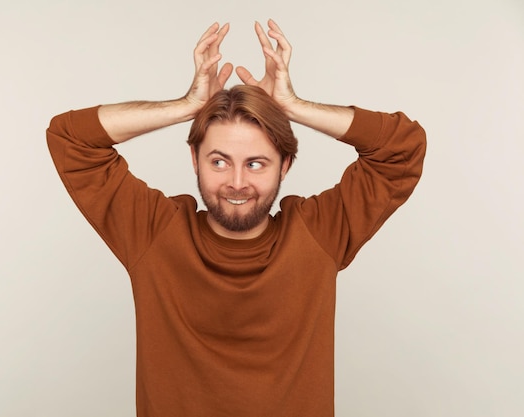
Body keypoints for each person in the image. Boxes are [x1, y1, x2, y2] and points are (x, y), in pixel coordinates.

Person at [46, 19, 426, 417]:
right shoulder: (154, 234)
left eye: (257, 163)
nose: (237, 183)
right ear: (194, 159)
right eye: (219, 161)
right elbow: (70, 138)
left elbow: (403, 148)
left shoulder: (319, 235)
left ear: (285, 166)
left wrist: (294, 107)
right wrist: (186, 108)